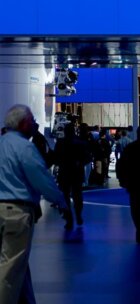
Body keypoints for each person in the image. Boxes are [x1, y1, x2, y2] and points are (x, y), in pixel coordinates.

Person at [0, 105, 69, 304]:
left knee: (17, 264)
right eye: (32, 121)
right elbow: (42, 179)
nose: (35, 125)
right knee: (10, 270)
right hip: (16, 214)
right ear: (24, 124)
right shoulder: (24, 148)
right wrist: (61, 202)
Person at [53, 124, 89, 229]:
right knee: (77, 195)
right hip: (77, 173)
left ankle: (69, 219)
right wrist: (79, 163)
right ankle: (78, 215)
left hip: (64, 173)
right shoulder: (81, 142)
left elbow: (56, 158)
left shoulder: (60, 143)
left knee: (65, 196)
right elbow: (87, 158)